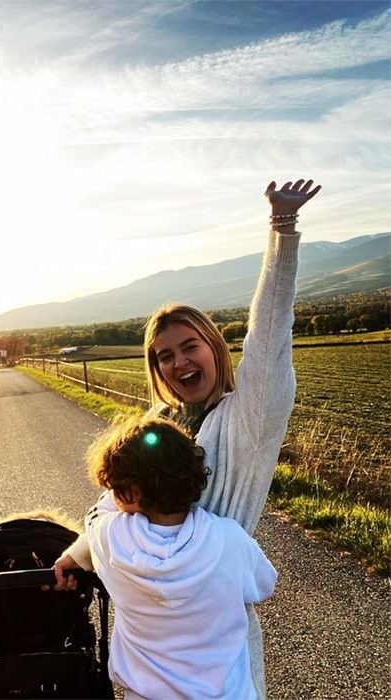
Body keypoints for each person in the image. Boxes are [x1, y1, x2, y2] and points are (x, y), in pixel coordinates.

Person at [55, 178, 321, 698]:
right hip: (150, 639)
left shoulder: (249, 420)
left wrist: (282, 229)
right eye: (164, 355)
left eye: (188, 346)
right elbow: (114, 505)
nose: (178, 361)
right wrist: (76, 554)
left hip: (215, 636)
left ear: (214, 347)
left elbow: (270, 332)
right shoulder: (156, 424)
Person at [84, 415, 277, 700]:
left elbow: (96, 515)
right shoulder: (229, 539)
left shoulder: (110, 538)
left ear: (131, 494)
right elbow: (265, 584)